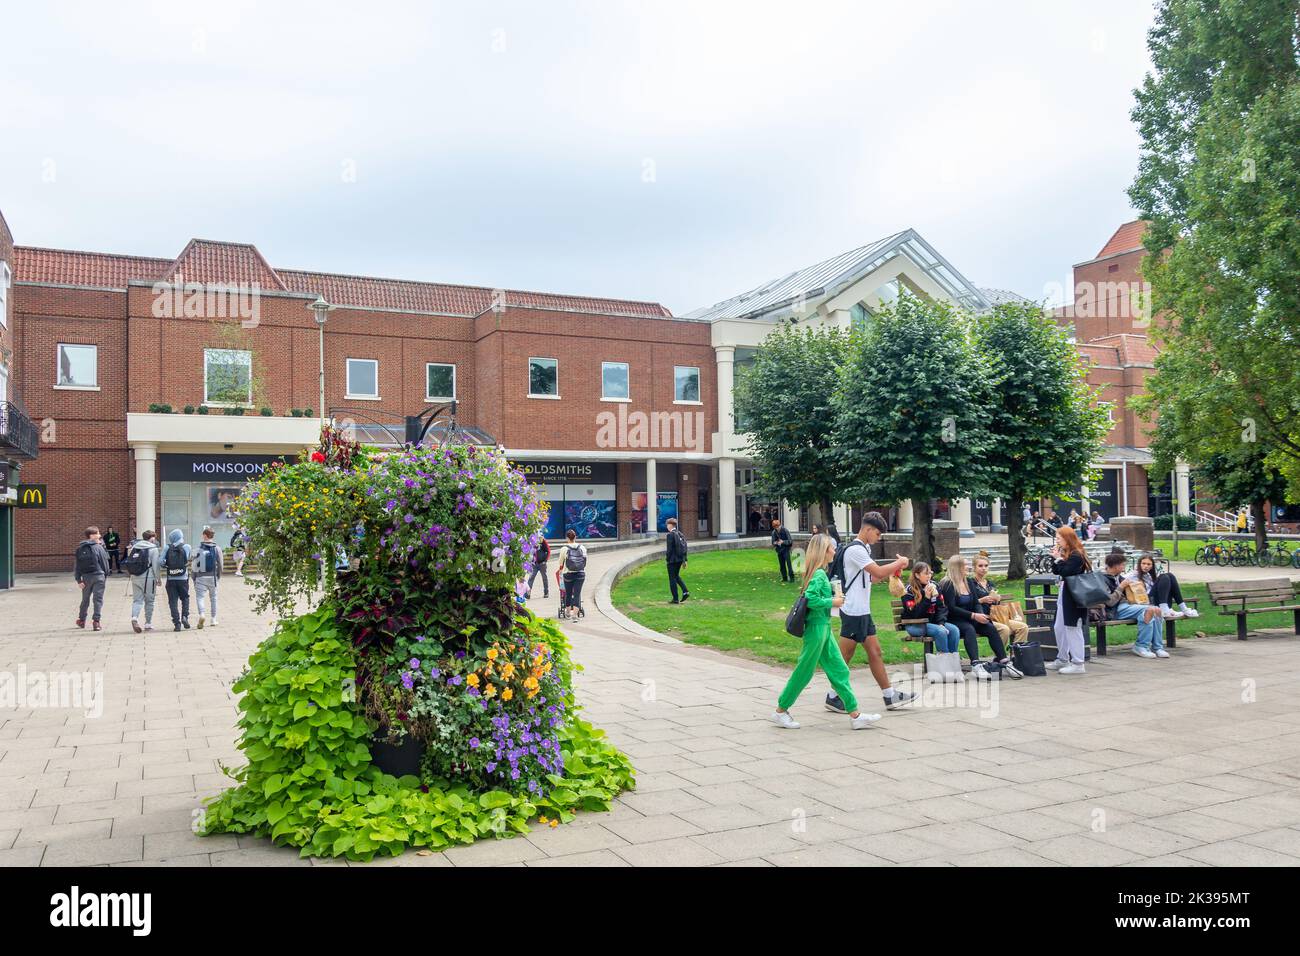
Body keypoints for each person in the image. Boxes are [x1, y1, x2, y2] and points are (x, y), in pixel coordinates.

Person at [771, 534, 881, 730]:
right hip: (816, 630)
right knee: (804, 672)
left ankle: (855, 714)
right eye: (832, 548)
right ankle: (781, 711)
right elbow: (811, 600)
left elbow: (813, 598)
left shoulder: (819, 573)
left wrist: (832, 598)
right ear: (824, 551)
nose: (834, 551)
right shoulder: (819, 574)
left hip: (824, 628)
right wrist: (834, 602)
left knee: (840, 670)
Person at [824, 512, 918, 714]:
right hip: (853, 611)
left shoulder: (864, 549)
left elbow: (872, 578)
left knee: (874, 653)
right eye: (877, 533)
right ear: (867, 529)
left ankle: (889, 695)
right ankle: (834, 696)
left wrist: (892, 572)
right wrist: (900, 563)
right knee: (843, 657)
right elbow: (877, 572)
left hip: (861, 611)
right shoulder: (855, 550)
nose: (879, 537)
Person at [939, 555, 1021, 679]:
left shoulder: (968, 582)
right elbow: (951, 608)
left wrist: (980, 614)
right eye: (965, 565)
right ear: (958, 567)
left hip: (972, 617)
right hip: (955, 619)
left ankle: (1004, 661)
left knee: (989, 627)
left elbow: (976, 603)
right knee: (969, 630)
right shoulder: (948, 584)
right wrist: (973, 615)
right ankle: (976, 665)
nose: (968, 567)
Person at [898, 561, 961, 681]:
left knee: (954, 630)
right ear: (917, 575)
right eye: (926, 573)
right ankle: (944, 668)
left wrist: (942, 623)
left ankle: (953, 666)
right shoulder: (908, 591)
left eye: (930, 573)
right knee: (940, 632)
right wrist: (926, 598)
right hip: (914, 625)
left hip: (932, 623)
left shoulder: (935, 586)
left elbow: (942, 608)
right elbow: (915, 615)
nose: (929, 576)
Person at [1096, 551, 1163, 658]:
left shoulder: (1120, 578)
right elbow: (1109, 602)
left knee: (1156, 610)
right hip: (1113, 610)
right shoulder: (1102, 579)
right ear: (1115, 566)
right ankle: (1141, 646)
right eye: (1123, 564)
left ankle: (1157, 647)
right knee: (1150, 610)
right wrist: (1121, 587)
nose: (1124, 566)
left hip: (1127, 607)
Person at [1047, 526, 1090, 674]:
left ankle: (1078, 663)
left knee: (1073, 628)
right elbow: (1057, 570)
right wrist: (1056, 557)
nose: (1057, 540)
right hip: (1064, 593)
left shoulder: (1077, 555)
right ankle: (1062, 658)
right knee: (1059, 627)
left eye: (1059, 538)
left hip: (1074, 597)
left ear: (1067, 539)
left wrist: (1058, 559)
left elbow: (1066, 571)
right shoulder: (1068, 554)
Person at [971, 553, 1029, 647]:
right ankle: (1000, 657)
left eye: (986, 566)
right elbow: (968, 602)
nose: (984, 568)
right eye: (980, 566)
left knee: (1023, 627)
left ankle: (1017, 655)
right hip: (982, 618)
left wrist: (997, 599)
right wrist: (982, 600)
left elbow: (995, 603)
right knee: (1005, 629)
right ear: (974, 567)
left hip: (997, 616)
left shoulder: (990, 583)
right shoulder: (971, 583)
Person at [1127, 553, 1199, 624]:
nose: (1146, 566)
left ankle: (1183, 608)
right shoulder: (1132, 575)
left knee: (1170, 575)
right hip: (1145, 602)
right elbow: (1123, 583)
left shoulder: (1149, 575)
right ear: (1139, 564)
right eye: (1143, 563)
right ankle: (1165, 609)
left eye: (1149, 564)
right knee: (1163, 577)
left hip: (1155, 601)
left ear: (1152, 566)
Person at [73, 526, 111, 631]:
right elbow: (105, 564)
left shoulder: (80, 548)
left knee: (85, 599)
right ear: (92, 535)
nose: (99, 535)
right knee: (97, 600)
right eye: (98, 533)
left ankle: (81, 620)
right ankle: (96, 622)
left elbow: (77, 566)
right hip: (99, 576)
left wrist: (78, 580)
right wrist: (105, 575)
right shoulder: (99, 547)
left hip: (85, 577)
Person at [124, 530, 161, 633]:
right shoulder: (153, 549)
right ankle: (148, 623)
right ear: (152, 538)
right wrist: (158, 579)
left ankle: (134, 618)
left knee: (137, 600)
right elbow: (155, 566)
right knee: (149, 601)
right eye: (154, 538)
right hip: (148, 578)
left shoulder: (135, 547)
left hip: (135, 577)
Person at [191, 527, 222, 628]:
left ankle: (202, 614)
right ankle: (213, 619)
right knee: (213, 598)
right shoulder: (217, 548)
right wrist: (218, 576)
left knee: (200, 597)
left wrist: (194, 578)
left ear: (204, 535)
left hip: (200, 577)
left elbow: (194, 566)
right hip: (212, 576)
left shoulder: (198, 548)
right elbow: (221, 564)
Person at [161, 529, 193, 631]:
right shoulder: (187, 547)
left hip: (171, 579)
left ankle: (177, 623)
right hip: (183, 578)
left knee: (172, 601)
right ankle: (185, 617)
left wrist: (167, 564)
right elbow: (188, 559)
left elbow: (160, 562)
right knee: (185, 598)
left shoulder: (167, 547)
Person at [556, 530, 587, 619]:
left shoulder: (564, 549)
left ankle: (568, 613)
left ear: (567, 538)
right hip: (581, 574)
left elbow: (561, 564)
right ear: (575, 537)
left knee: (568, 593)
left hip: (568, 574)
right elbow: (584, 562)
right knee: (577, 594)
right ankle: (575, 615)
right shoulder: (582, 548)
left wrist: (561, 571)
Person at [665, 517, 689, 603]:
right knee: (676, 576)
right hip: (679, 560)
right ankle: (685, 591)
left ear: (670, 525)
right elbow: (685, 547)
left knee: (672, 579)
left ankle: (675, 599)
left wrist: (667, 559)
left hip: (672, 560)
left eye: (667, 524)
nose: (667, 526)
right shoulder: (680, 534)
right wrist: (685, 560)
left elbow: (669, 550)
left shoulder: (670, 535)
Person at [771, 517, 793, 583]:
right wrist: (776, 543)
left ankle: (792, 577)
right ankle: (784, 577)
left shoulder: (785, 530)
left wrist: (783, 542)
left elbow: (790, 541)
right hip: (779, 549)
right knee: (782, 565)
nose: (777, 528)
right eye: (775, 527)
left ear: (779, 525)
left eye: (778, 527)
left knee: (789, 564)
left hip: (786, 549)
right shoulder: (774, 532)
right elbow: (773, 542)